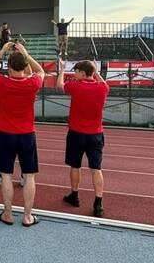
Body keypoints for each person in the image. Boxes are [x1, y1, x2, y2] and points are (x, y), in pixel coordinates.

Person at [0, 41, 44, 227]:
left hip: (6, 134)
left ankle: (8, 214)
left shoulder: (3, 82)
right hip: (27, 135)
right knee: (29, 176)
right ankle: (27, 216)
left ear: (9, 67)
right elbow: (41, 71)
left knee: (5, 175)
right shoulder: (32, 82)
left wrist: (2, 50)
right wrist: (26, 54)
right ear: (25, 66)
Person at [57, 60, 109, 217]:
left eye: (76, 71)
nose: (74, 73)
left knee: (75, 166)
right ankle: (98, 203)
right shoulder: (102, 87)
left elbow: (60, 85)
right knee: (96, 169)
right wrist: (95, 72)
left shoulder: (76, 86)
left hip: (76, 133)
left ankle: (74, 195)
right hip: (96, 134)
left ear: (82, 73)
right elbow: (103, 82)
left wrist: (61, 70)